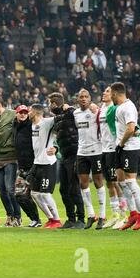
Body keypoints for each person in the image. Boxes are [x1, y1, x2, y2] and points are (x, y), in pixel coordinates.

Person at [111, 82, 140, 231]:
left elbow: (131, 129)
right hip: (121, 147)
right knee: (121, 182)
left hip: (129, 148)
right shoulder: (120, 107)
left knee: (131, 182)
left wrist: (120, 144)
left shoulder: (128, 107)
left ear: (115, 94)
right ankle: (133, 214)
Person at [48, 92, 85, 229]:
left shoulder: (71, 113)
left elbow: (79, 115)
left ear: (54, 103)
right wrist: (57, 150)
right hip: (64, 156)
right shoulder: (57, 118)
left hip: (75, 154)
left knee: (74, 188)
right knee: (63, 189)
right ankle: (71, 219)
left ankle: (81, 219)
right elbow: (59, 137)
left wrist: (69, 108)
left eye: (49, 103)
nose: (48, 106)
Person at [73, 89, 106, 229]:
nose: (84, 99)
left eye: (86, 97)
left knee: (98, 181)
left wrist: (97, 109)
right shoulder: (75, 113)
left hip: (96, 151)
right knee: (83, 183)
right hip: (82, 152)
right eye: (81, 97)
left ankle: (102, 216)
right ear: (77, 99)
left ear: (90, 99)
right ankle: (91, 215)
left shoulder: (95, 111)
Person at [98, 87, 127, 229]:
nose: (104, 93)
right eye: (104, 91)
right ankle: (115, 215)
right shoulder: (102, 108)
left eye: (107, 91)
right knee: (109, 183)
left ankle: (124, 215)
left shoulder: (115, 108)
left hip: (112, 149)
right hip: (103, 149)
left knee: (116, 182)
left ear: (113, 94)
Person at [0, 96, 21, 227]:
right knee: (1, 190)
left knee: (10, 189)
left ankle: (18, 217)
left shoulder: (13, 114)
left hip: (11, 155)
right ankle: (10, 215)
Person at [28, 104, 62, 229]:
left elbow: (61, 120)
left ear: (36, 112)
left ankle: (57, 220)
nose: (28, 112)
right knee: (34, 194)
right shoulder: (31, 125)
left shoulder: (47, 122)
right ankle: (50, 219)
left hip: (48, 163)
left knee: (45, 194)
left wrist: (57, 147)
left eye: (30, 110)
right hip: (37, 163)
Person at [12, 104, 41, 227]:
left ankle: (47, 219)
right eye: (20, 112)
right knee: (18, 195)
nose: (23, 114)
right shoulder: (14, 126)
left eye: (25, 112)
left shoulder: (32, 125)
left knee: (32, 194)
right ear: (16, 113)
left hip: (33, 166)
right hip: (22, 167)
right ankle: (34, 219)